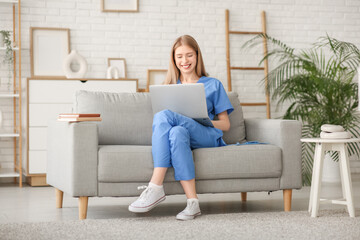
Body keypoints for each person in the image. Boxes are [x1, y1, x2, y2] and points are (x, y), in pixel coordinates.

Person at [128, 35, 234, 220]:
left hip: (207, 135)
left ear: (197, 56)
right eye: (179, 56)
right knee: (177, 132)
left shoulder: (213, 84)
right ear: (174, 59)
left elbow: (225, 124)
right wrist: (184, 122)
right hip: (184, 136)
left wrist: (202, 121)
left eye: (189, 55)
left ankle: (155, 186)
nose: (184, 61)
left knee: (163, 115)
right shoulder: (169, 87)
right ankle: (193, 203)